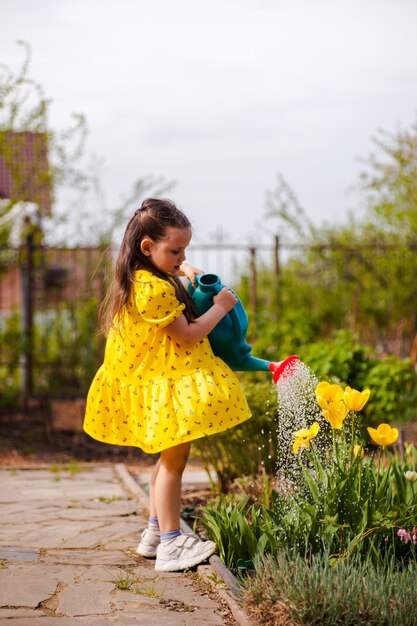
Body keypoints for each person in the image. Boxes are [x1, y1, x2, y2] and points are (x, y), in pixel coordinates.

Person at [83, 198, 251, 572]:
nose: (181, 256)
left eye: (184, 249)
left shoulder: (143, 277)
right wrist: (222, 306)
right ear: (148, 248)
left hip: (158, 380)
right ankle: (173, 544)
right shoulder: (154, 289)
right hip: (167, 385)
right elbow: (190, 334)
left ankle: (156, 531)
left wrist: (184, 268)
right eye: (175, 250)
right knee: (174, 463)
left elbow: (172, 273)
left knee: (167, 458)